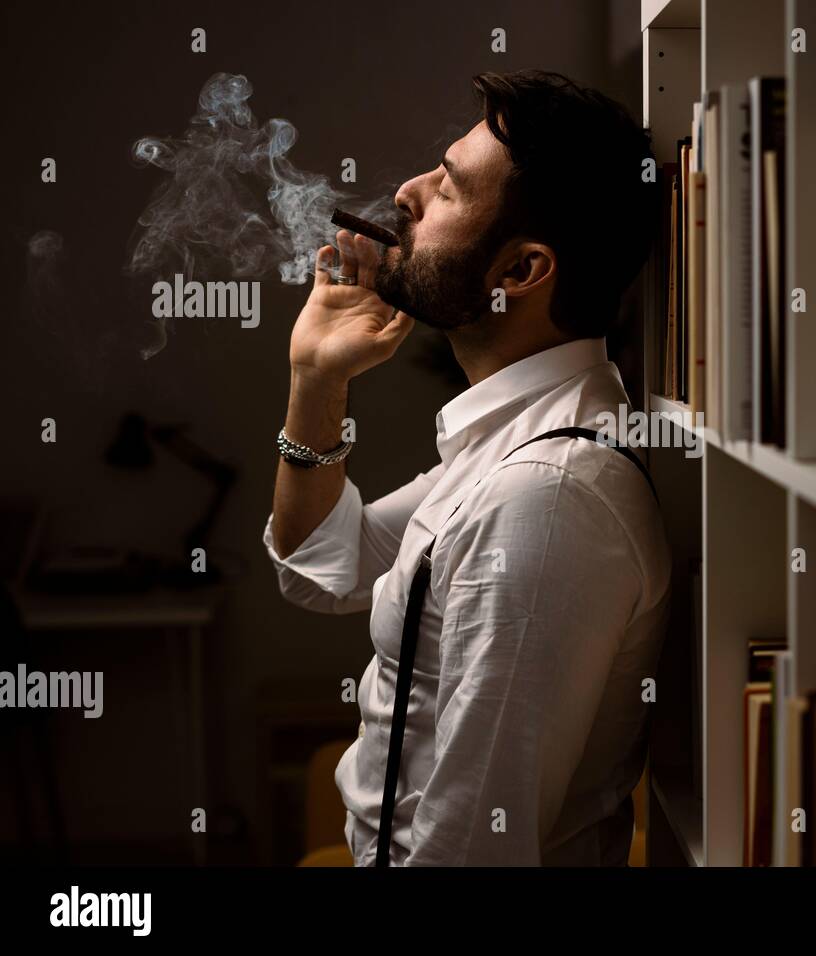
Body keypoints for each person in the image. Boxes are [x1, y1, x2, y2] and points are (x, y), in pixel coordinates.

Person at [262, 70, 670, 866]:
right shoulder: (510, 441)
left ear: (519, 273)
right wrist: (317, 380)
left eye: (447, 188)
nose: (407, 193)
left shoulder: (545, 501)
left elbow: (473, 845)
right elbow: (321, 569)